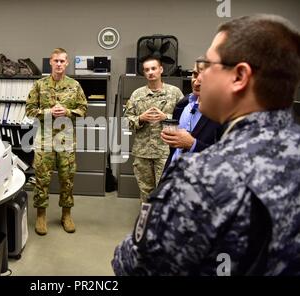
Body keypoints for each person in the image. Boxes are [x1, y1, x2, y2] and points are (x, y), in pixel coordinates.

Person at [112, 14, 300, 275]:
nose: (199, 78)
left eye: (208, 65)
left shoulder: (204, 177)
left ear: (239, 76)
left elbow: (134, 265)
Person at [26, 48, 87, 235]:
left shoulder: (75, 85)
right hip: (44, 140)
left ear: (67, 63)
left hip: (66, 140)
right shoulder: (39, 85)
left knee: (67, 178)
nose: (59, 64)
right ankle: (41, 215)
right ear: (50, 63)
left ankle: (66, 215)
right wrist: (48, 112)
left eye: (62, 61)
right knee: (42, 179)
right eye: (56, 61)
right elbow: (29, 110)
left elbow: (83, 109)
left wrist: (68, 112)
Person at [124, 57, 183, 202]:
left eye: (153, 68)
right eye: (146, 70)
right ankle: (146, 223)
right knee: (146, 193)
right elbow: (125, 121)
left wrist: (166, 117)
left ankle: (162, 223)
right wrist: (141, 118)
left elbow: (186, 120)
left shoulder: (174, 93)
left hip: (166, 152)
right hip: (142, 152)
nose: (150, 72)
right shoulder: (137, 94)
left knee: (165, 191)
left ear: (161, 69)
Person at [160, 58, 223, 171]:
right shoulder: (182, 104)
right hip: (173, 176)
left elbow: (224, 158)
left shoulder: (222, 113)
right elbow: (174, 151)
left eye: (204, 77)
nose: (196, 81)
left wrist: (192, 144)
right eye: (194, 74)